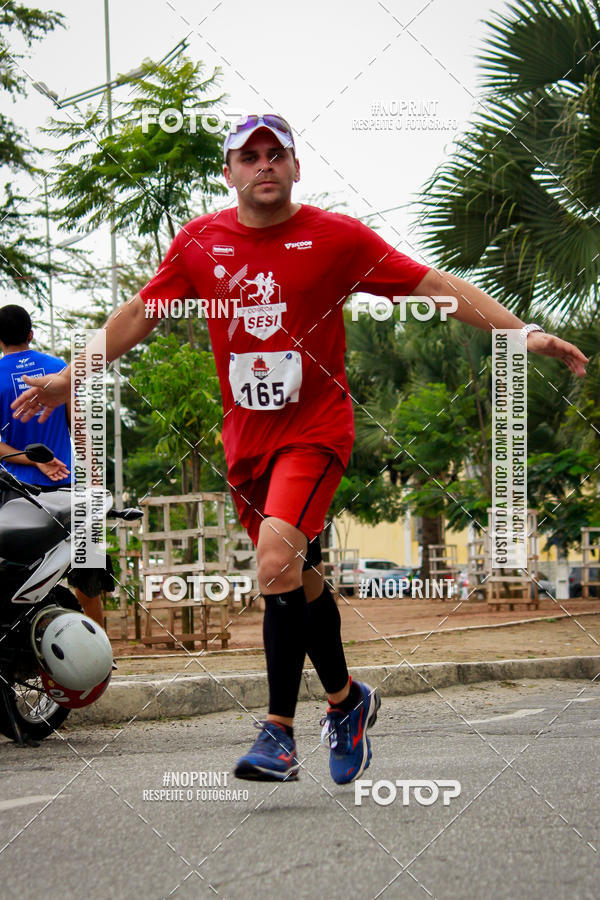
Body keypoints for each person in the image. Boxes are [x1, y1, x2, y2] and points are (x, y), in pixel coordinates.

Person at [11, 114, 588, 785]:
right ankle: (348, 701)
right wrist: (65, 377)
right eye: (249, 156)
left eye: (276, 153)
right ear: (229, 172)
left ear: (295, 166)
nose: (264, 165)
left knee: (275, 560)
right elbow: (140, 312)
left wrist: (524, 333)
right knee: (296, 576)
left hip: (315, 431)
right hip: (246, 444)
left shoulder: (336, 237)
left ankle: (278, 732)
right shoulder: (200, 243)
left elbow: (433, 286)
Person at [0, 305, 113, 627]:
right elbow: (79, 427)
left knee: (18, 581)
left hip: (17, 498)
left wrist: (33, 459)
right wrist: (93, 479)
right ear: (31, 333)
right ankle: (99, 653)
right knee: (87, 578)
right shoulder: (58, 369)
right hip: (69, 491)